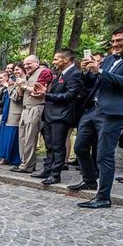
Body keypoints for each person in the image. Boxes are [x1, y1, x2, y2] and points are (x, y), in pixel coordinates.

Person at [69, 25, 123, 209]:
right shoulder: (110, 58)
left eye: (120, 40)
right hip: (93, 109)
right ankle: (89, 180)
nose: (115, 44)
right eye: (113, 41)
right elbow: (93, 82)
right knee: (79, 147)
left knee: (104, 155)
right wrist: (86, 71)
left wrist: (101, 71)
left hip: (113, 112)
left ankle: (103, 197)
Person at [30, 48, 83, 185]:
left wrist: (46, 95)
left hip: (61, 116)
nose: (53, 62)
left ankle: (55, 174)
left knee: (58, 146)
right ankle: (47, 169)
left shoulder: (75, 74)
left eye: (56, 59)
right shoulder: (60, 74)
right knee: (49, 145)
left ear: (65, 59)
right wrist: (43, 93)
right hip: (50, 114)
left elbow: (69, 96)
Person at [10, 55, 53, 173]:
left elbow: (38, 91)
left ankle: (27, 165)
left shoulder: (44, 72)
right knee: (22, 137)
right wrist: (20, 87)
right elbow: (21, 94)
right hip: (25, 108)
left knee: (30, 138)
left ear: (37, 63)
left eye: (29, 63)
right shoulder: (27, 75)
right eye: (25, 64)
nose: (26, 66)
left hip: (36, 107)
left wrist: (23, 86)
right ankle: (25, 163)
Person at [0, 63, 24, 165]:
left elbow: (16, 97)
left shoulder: (21, 82)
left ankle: (9, 157)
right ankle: (3, 156)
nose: (15, 72)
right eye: (15, 70)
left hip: (15, 112)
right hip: (8, 110)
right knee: (5, 134)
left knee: (11, 135)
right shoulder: (14, 81)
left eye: (17, 69)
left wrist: (8, 87)